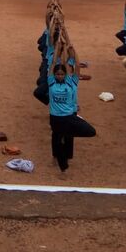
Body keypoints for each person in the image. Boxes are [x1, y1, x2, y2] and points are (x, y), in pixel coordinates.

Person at [47, 42, 96, 176]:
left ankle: (67, 134)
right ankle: (63, 169)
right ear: (54, 75)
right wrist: (58, 48)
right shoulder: (51, 83)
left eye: (62, 74)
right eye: (58, 74)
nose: (60, 76)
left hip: (69, 116)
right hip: (55, 117)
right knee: (58, 142)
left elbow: (76, 66)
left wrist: (72, 50)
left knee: (91, 131)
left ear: (66, 75)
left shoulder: (72, 82)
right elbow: (53, 64)